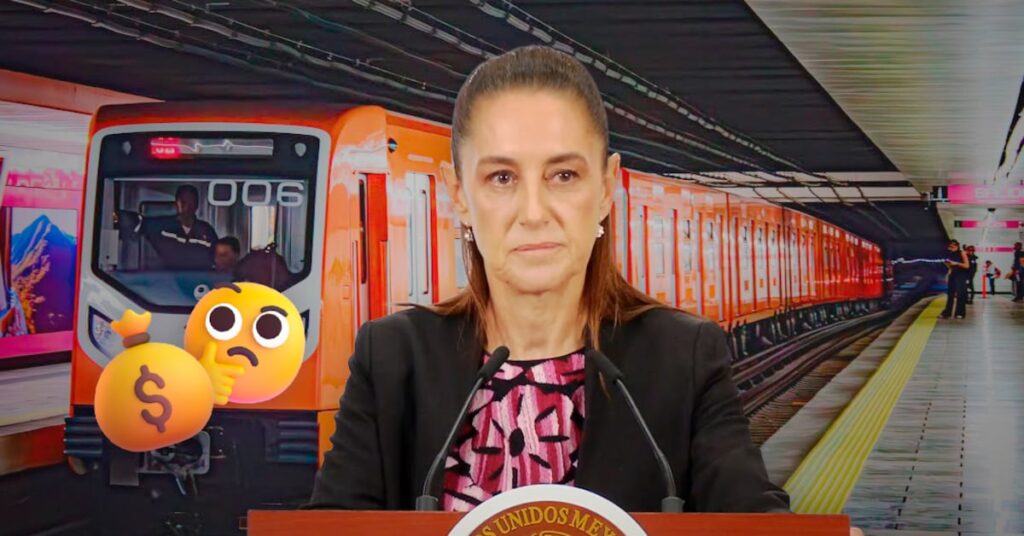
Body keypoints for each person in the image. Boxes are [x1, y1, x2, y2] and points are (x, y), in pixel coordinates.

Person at [306, 46, 789, 514]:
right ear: (459, 195)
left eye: (563, 176)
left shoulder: (685, 357)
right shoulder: (391, 359)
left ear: (606, 188)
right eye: (502, 178)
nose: (533, 213)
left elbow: (752, 514)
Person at [117, 184, 218, 270]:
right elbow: (131, 220)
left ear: (197, 205)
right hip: (167, 280)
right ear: (177, 203)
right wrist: (113, 214)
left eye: (191, 202)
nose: (187, 207)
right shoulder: (159, 226)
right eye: (183, 202)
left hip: (199, 282)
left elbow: (218, 258)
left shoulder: (206, 230)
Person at [939, 239, 969, 319]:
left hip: (961, 275)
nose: (951, 248)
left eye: (952, 247)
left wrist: (956, 263)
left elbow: (967, 265)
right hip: (953, 274)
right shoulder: (950, 254)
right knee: (950, 294)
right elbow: (950, 267)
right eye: (950, 247)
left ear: (957, 246)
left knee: (960, 294)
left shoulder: (962, 253)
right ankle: (947, 313)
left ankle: (960, 313)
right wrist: (947, 265)